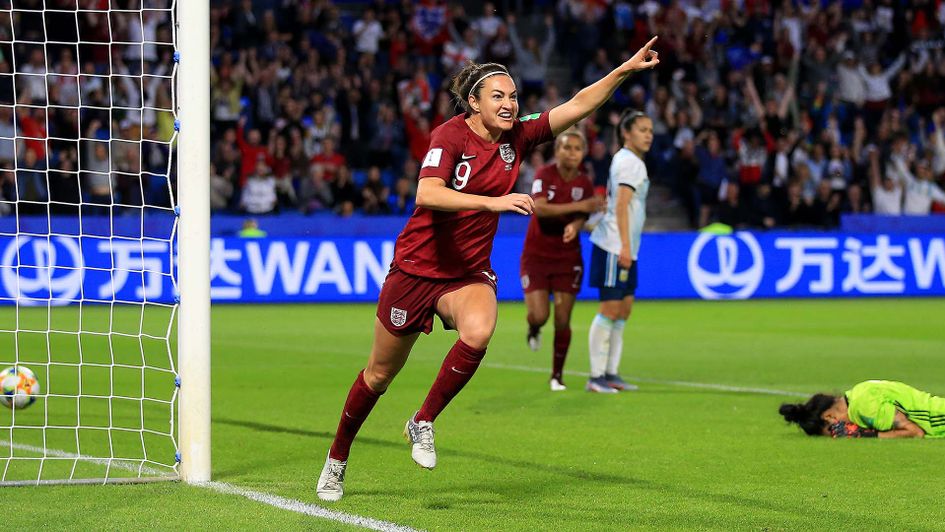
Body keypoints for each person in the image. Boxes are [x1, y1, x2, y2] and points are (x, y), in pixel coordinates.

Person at [317, 37, 661, 502]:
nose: (509, 103)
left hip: (466, 273)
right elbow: (427, 194)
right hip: (416, 270)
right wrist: (493, 202)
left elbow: (578, 105)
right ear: (473, 104)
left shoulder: (518, 134)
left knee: (479, 331)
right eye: (497, 96)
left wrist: (623, 71)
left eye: (514, 95)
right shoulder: (450, 135)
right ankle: (337, 459)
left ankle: (422, 422)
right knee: (378, 375)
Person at [520, 129, 601, 391]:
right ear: (557, 151)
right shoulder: (544, 174)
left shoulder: (584, 183)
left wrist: (577, 225)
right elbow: (539, 208)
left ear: (583, 154)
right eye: (567, 147)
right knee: (540, 315)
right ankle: (533, 328)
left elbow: (586, 215)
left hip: (567, 256)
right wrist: (579, 209)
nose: (572, 153)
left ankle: (557, 376)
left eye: (577, 149)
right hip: (537, 255)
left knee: (563, 319)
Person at [586, 110, 653, 393]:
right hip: (615, 245)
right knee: (610, 308)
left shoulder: (632, 161)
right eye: (642, 130)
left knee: (624, 309)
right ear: (626, 133)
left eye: (650, 130)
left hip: (625, 246)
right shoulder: (628, 162)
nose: (648, 135)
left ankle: (611, 372)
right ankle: (596, 376)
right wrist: (625, 246)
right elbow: (622, 205)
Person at [779, 380, 944, 439]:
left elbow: (915, 432)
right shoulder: (858, 392)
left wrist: (868, 434)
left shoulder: (864, 407)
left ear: (830, 418)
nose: (840, 433)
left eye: (832, 432)